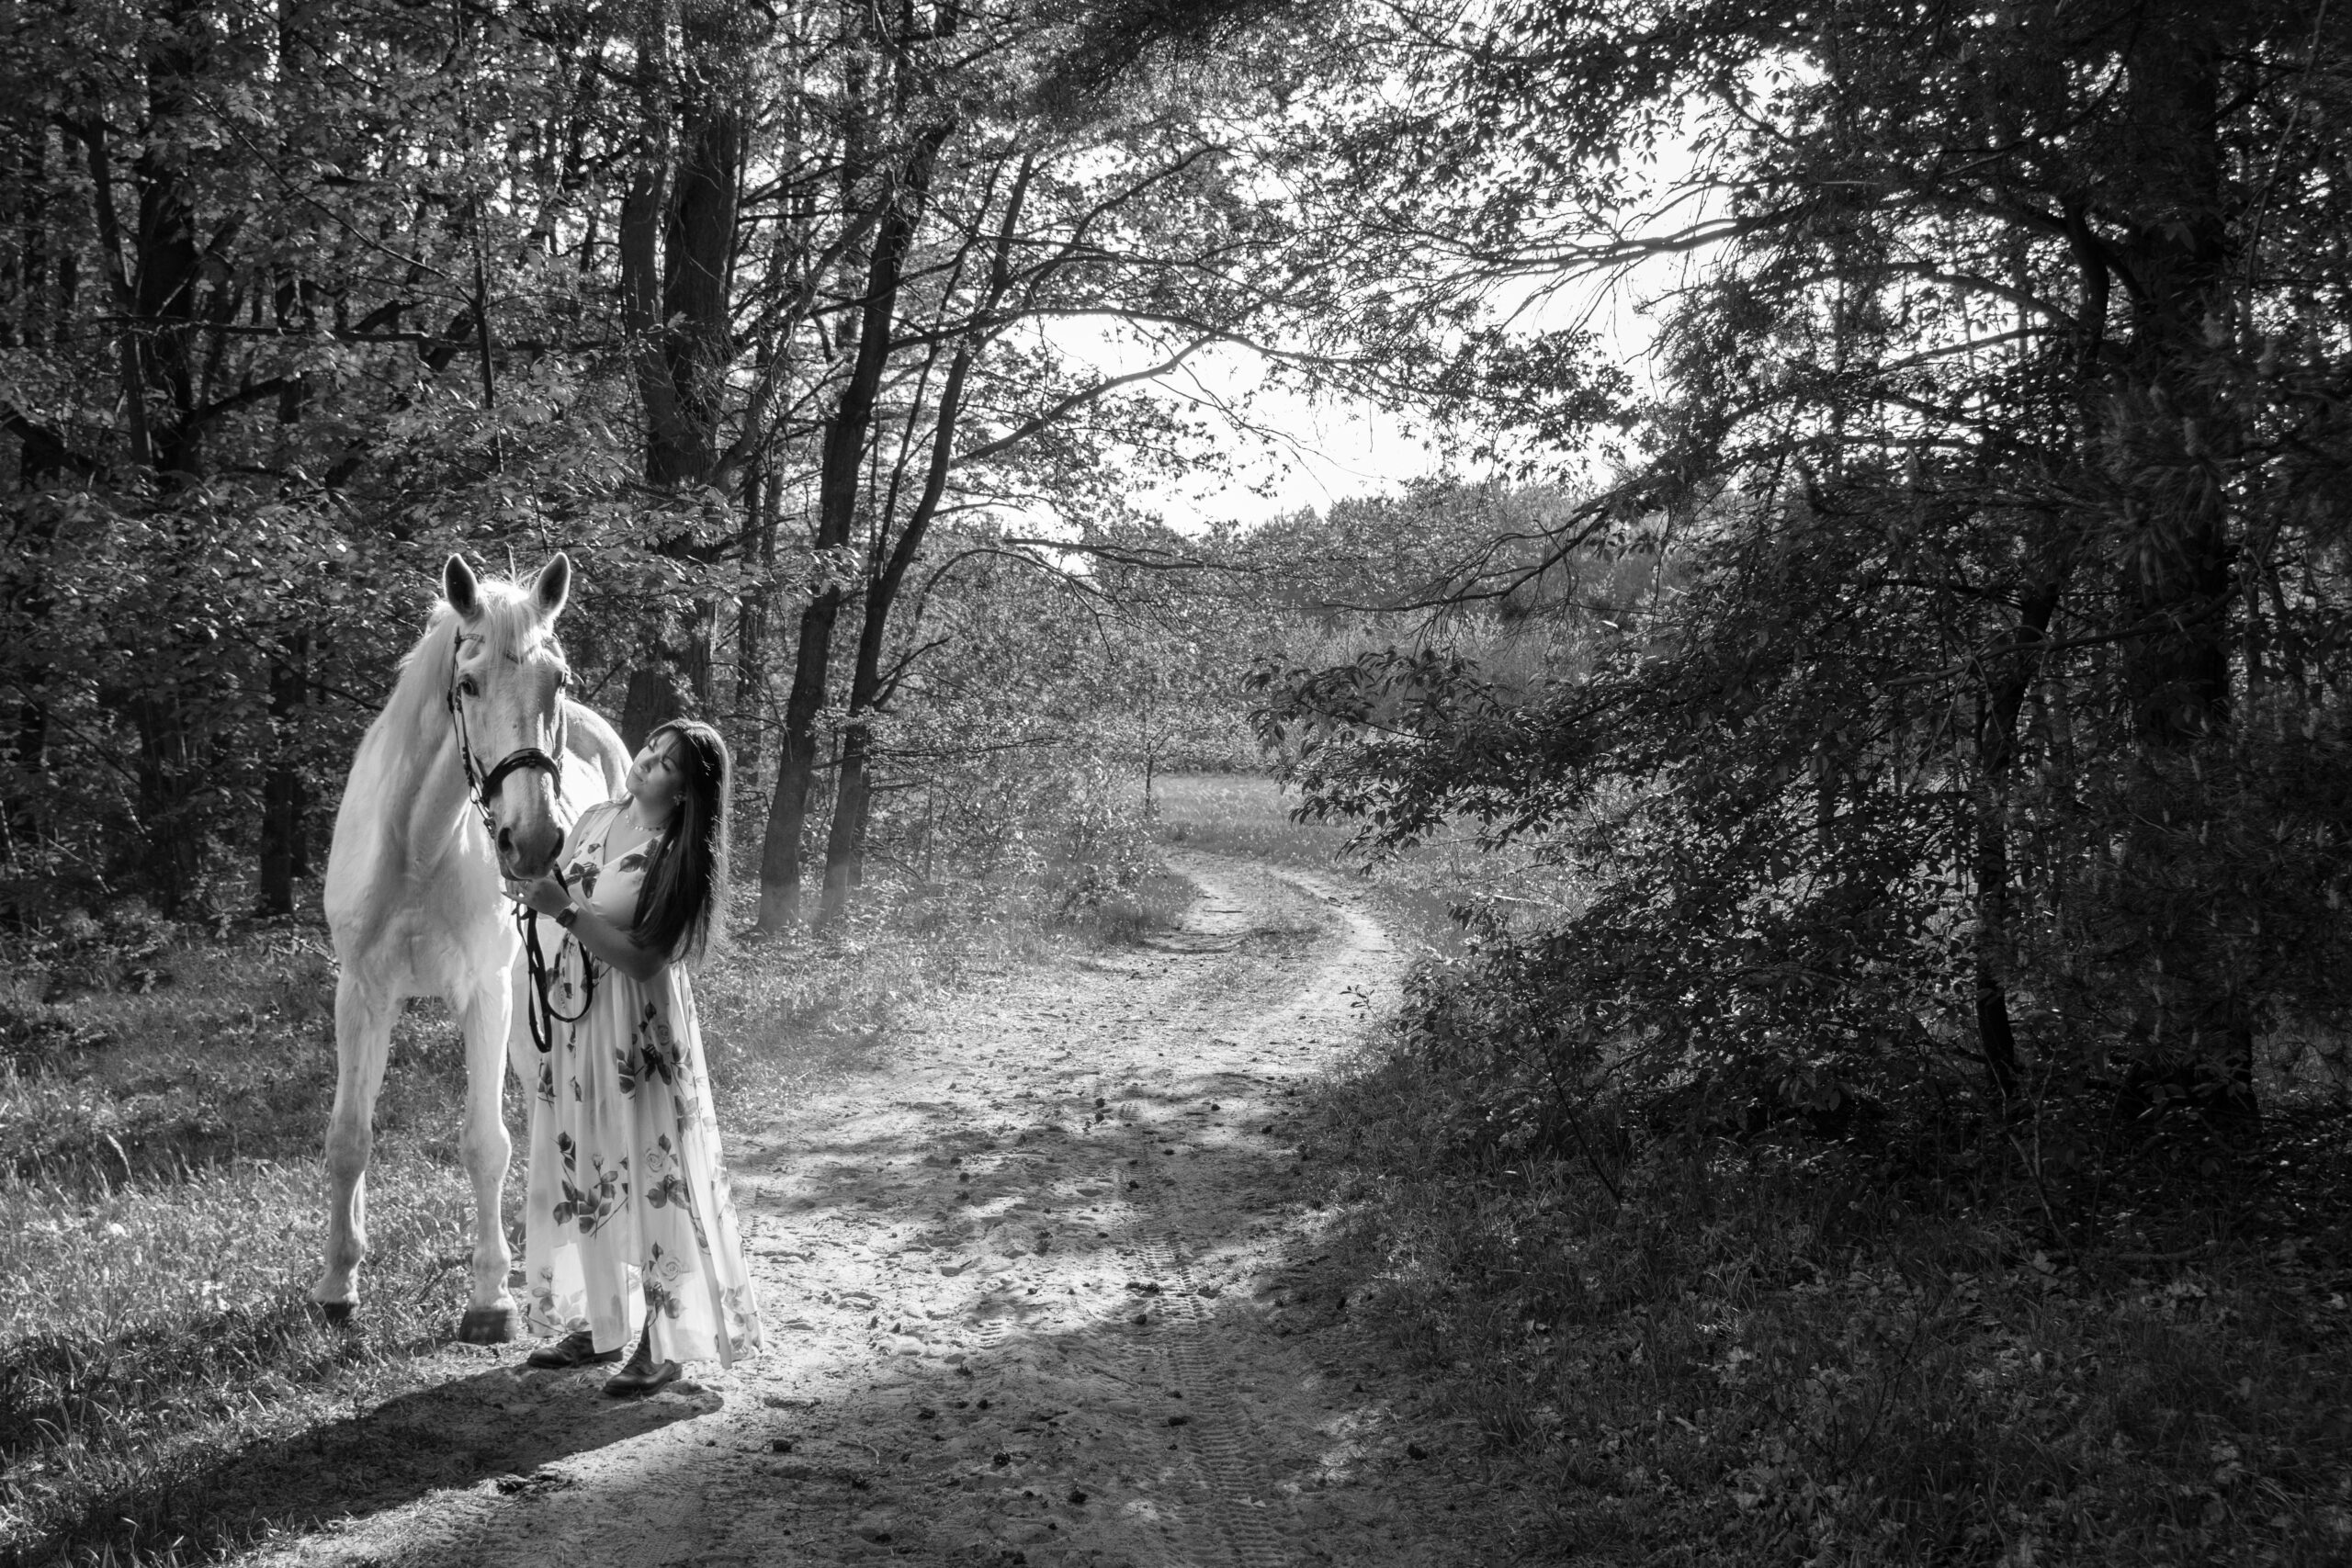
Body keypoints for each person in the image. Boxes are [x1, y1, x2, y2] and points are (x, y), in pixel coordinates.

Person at [506, 719, 762, 1393]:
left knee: (651, 1168)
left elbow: (646, 958)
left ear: (686, 792)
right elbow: (554, 886)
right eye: (649, 748)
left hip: (638, 1028)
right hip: (578, 1018)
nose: (645, 762)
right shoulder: (595, 817)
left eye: (665, 763)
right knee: (587, 1163)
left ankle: (664, 1337)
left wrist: (564, 912)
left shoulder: (681, 854)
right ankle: (601, 1320)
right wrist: (529, 889)